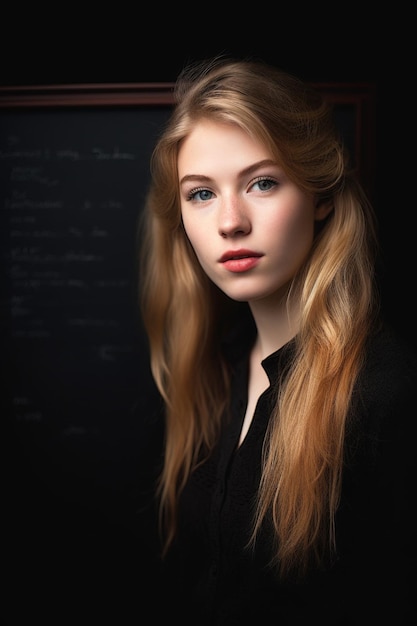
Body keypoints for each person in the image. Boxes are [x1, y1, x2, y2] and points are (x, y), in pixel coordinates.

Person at [138, 56, 417, 624]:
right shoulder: (215, 369)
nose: (230, 222)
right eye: (201, 194)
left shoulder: (386, 394)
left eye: (262, 183)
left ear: (319, 196)